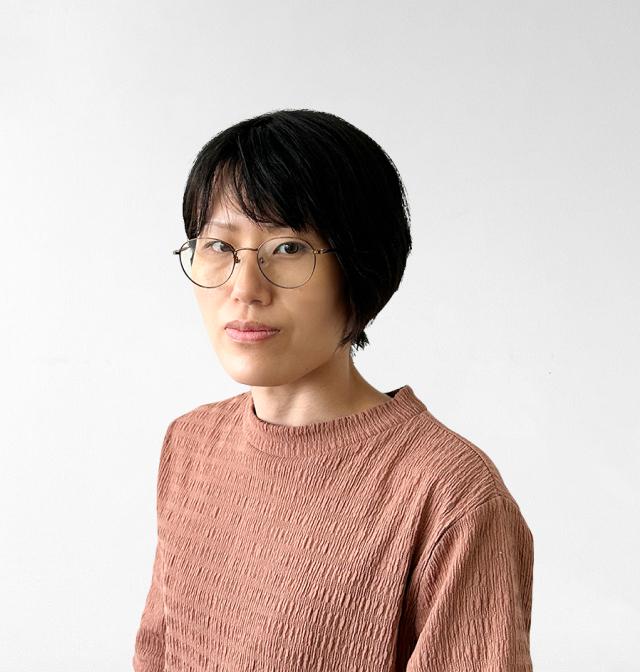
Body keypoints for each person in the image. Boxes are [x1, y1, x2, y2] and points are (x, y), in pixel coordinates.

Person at [133, 110, 534, 671]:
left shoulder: (451, 497)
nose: (245, 288)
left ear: (359, 267)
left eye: (288, 248)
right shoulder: (191, 444)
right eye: (219, 245)